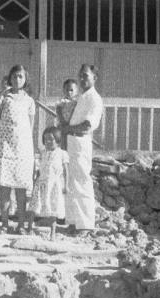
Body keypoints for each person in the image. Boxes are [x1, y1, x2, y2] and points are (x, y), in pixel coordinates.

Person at [0, 64, 35, 235]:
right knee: (5, 188)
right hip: (4, 146)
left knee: (21, 189)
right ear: (10, 79)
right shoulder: (3, 98)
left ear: (25, 79)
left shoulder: (29, 101)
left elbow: (30, 126)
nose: (17, 80)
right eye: (14, 76)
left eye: (20, 77)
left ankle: (21, 224)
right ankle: (5, 223)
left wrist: (28, 148)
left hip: (22, 149)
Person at [63, 64, 103, 237]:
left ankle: (85, 224)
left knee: (82, 182)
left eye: (85, 76)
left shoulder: (94, 99)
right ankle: (74, 222)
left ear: (94, 78)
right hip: (71, 143)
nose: (81, 79)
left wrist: (68, 130)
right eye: (80, 76)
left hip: (80, 143)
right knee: (72, 183)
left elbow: (87, 125)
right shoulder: (81, 97)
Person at [27, 127, 69, 240]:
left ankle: (53, 232)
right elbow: (37, 168)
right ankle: (29, 227)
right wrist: (34, 179)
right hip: (41, 183)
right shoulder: (42, 153)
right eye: (45, 140)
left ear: (58, 140)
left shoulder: (62, 153)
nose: (48, 142)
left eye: (51, 139)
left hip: (54, 185)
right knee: (34, 205)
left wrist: (66, 185)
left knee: (53, 208)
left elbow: (65, 170)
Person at [55, 79, 79, 150]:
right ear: (63, 90)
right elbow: (58, 112)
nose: (69, 92)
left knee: (72, 145)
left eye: (71, 90)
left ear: (76, 91)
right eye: (67, 90)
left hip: (73, 126)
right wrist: (64, 122)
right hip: (63, 125)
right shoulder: (61, 102)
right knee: (63, 144)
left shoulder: (77, 103)